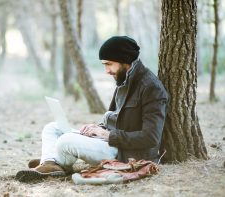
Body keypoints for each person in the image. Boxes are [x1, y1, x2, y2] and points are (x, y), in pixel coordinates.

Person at [15, 36, 168, 182]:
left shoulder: (151, 88)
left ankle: (54, 161)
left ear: (125, 61)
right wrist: (97, 128)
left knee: (65, 141)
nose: (106, 71)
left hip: (125, 153)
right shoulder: (124, 80)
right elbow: (114, 119)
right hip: (110, 142)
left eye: (109, 64)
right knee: (52, 128)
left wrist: (108, 135)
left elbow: (151, 138)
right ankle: (50, 162)